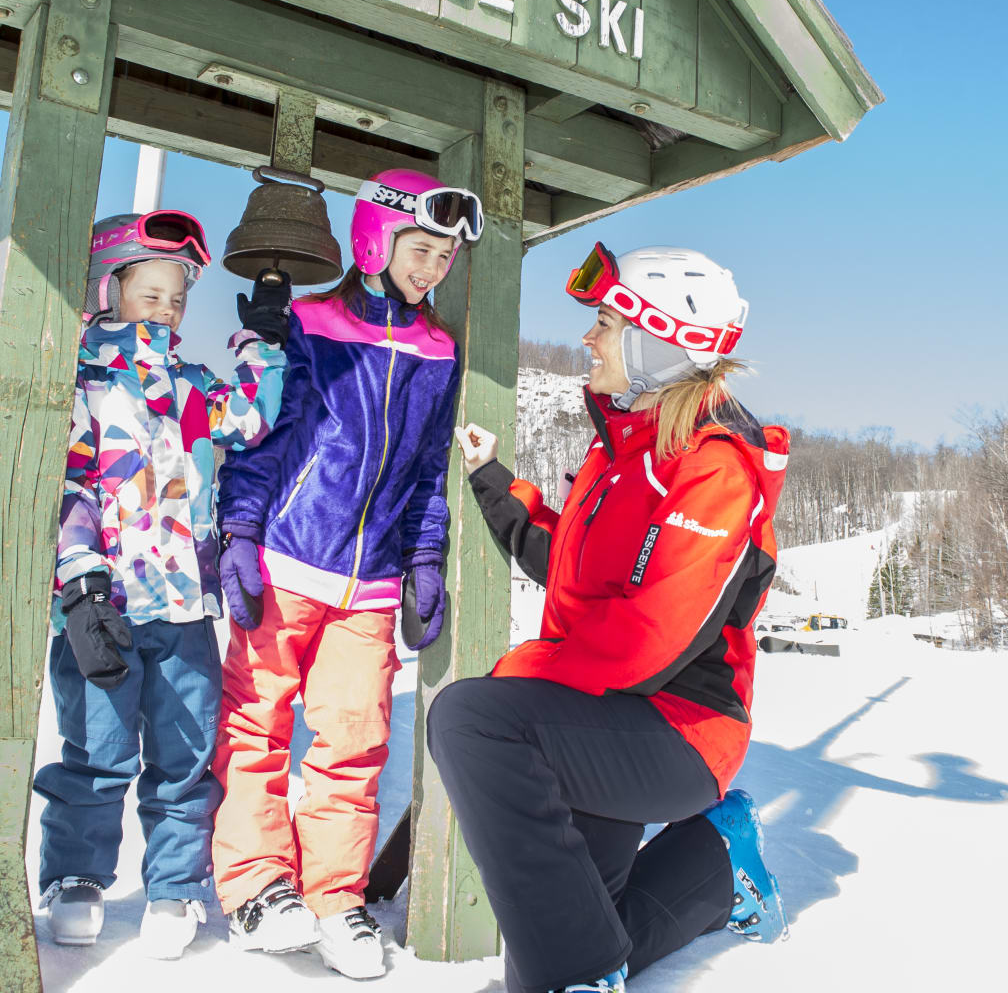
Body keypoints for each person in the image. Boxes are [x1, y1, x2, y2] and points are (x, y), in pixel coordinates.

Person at [432, 243, 791, 993]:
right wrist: (497, 485)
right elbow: (573, 565)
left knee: (471, 718)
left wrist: (524, 674)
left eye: (604, 322)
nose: (588, 340)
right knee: (577, 932)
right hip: (604, 718)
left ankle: (582, 980)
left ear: (658, 343)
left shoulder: (716, 469)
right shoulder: (627, 453)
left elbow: (648, 640)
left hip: (677, 730)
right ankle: (718, 863)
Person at [211, 170, 484, 980]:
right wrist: (239, 531)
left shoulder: (439, 350)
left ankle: (333, 894)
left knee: (356, 741)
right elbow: (262, 440)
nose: (434, 268)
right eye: (421, 248)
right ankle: (257, 883)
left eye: (445, 257)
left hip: (369, 583)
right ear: (374, 238)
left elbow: (430, 469)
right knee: (256, 723)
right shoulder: (313, 326)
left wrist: (425, 558)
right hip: (289, 562)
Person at [32, 209, 291, 960]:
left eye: (177, 298)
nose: (167, 310)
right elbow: (65, 488)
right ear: (108, 291)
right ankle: (76, 876)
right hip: (103, 610)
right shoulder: (78, 384)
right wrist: (80, 581)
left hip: (183, 610)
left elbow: (251, 417)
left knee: (183, 757)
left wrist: (265, 341)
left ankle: (175, 885)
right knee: (96, 752)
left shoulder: (191, 386)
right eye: (151, 294)